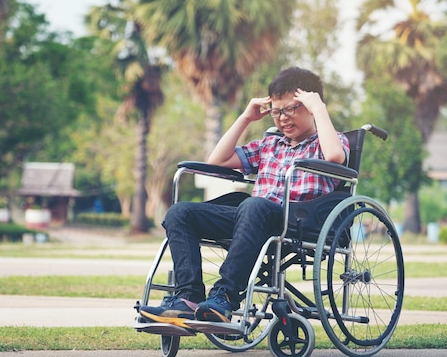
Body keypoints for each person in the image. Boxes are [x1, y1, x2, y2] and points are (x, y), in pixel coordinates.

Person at [140, 66, 350, 326]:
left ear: (311, 105)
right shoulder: (269, 144)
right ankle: (189, 297)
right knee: (180, 213)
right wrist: (246, 118)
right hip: (251, 218)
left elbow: (335, 158)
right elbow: (216, 161)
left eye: (291, 109)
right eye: (277, 111)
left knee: (254, 205)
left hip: (298, 219)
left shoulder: (329, 140)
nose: (283, 118)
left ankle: (225, 296)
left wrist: (320, 109)